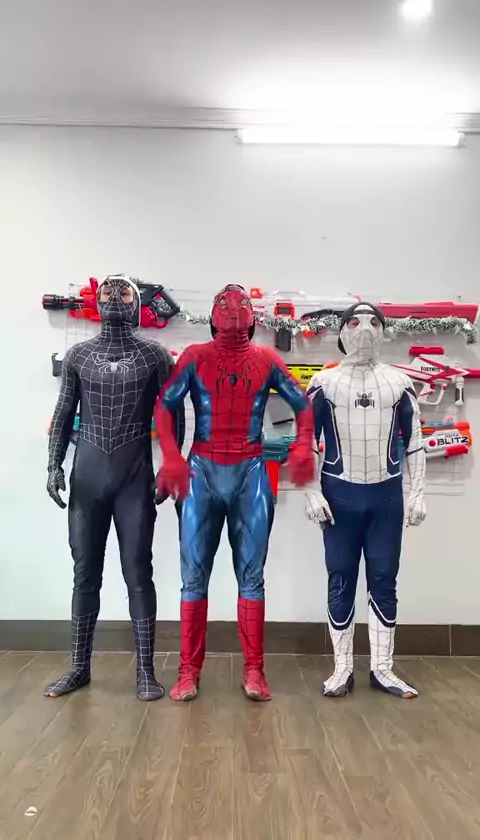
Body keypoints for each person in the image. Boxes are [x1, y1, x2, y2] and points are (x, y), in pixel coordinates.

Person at [154, 284, 315, 702]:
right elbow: (165, 405)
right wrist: (170, 455)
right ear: (212, 316)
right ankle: (188, 670)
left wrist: (303, 445)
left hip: (250, 471)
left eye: (240, 302)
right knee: (194, 575)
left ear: (252, 317)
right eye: (224, 303)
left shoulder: (265, 358)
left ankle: (254, 670)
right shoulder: (195, 357)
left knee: (251, 575)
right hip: (202, 471)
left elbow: (302, 404)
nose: (232, 306)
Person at [45, 275, 184, 701]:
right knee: (85, 574)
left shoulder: (154, 355)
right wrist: (52, 464)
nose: (113, 297)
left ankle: (146, 672)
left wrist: (170, 465)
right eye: (107, 291)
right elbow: (64, 411)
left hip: (133, 479)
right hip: (87, 479)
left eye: (123, 292)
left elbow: (171, 413)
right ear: (96, 300)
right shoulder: (78, 355)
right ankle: (78, 667)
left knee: (138, 573)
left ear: (138, 303)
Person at [305, 302, 426, 699]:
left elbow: (415, 442)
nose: (365, 329)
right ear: (342, 331)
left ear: (384, 332)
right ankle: (342, 668)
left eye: (374, 322)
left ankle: (382, 668)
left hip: (386, 496)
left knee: (384, 578)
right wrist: (310, 490)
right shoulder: (324, 383)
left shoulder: (399, 383)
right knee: (340, 577)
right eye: (355, 322)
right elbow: (305, 441)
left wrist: (418, 492)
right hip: (338, 495)